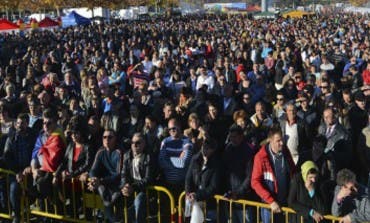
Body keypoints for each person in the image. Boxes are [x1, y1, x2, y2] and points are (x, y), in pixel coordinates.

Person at [251, 127, 296, 223]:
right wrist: (270, 201)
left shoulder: (285, 151)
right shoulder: (260, 157)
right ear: (270, 141)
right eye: (278, 141)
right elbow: (255, 182)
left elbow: (293, 171)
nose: (282, 143)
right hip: (269, 206)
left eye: (282, 140)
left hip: (286, 203)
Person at [1, 114, 37, 223]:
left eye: (22, 123)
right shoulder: (11, 138)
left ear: (27, 123)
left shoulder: (34, 136)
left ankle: (30, 212)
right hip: (16, 171)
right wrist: (17, 171)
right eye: (18, 123)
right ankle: (17, 215)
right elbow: (7, 156)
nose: (19, 126)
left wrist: (31, 166)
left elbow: (37, 152)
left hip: (31, 170)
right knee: (14, 190)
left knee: (34, 192)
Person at [88, 129, 123, 223]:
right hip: (104, 183)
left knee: (112, 201)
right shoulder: (100, 151)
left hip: (116, 184)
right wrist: (93, 179)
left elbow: (118, 174)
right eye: (104, 137)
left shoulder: (119, 152)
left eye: (110, 137)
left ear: (115, 139)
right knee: (105, 197)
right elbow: (93, 170)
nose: (107, 139)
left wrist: (100, 181)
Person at [223, 125, 257, 223]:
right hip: (230, 197)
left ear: (241, 136)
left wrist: (239, 192)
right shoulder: (228, 149)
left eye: (235, 136)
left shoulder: (248, 151)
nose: (232, 139)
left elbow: (250, 176)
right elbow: (226, 171)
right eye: (231, 137)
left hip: (244, 198)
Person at [120, 133, 155, 223]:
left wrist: (133, 187)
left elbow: (148, 178)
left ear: (144, 144)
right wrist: (125, 185)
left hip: (145, 189)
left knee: (138, 202)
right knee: (114, 196)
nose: (134, 145)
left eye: (138, 142)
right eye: (132, 142)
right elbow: (123, 174)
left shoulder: (149, 156)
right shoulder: (127, 155)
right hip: (131, 187)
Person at [185, 138, 221, 223]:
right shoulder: (195, 159)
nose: (205, 150)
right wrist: (188, 192)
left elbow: (214, 186)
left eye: (208, 148)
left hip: (210, 204)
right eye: (204, 147)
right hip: (194, 201)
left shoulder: (217, 163)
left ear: (213, 150)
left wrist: (197, 195)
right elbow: (188, 178)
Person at [158, 118, 193, 196]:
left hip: (183, 185)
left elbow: (183, 163)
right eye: (169, 129)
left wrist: (167, 158)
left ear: (179, 127)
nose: (171, 131)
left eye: (174, 128)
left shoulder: (187, 142)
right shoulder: (165, 142)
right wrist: (178, 159)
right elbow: (161, 162)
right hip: (167, 185)